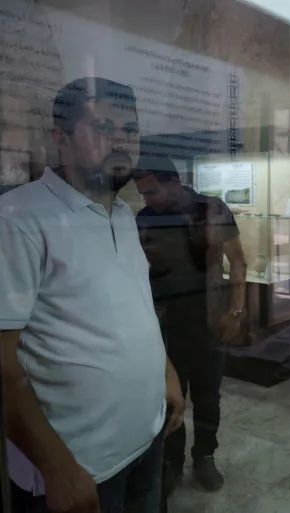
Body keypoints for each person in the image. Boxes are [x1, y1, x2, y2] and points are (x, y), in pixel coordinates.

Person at [0, 77, 185, 513]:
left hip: (146, 438)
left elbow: (136, 309)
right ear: (60, 138)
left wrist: (167, 373)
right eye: (103, 128)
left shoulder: (122, 213)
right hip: (78, 466)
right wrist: (56, 466)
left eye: (130, 130)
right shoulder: (19, 219)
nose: (121, 142)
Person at [133, 157, 246, 492]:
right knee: (170, 397)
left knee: (208, 397)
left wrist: (235, 313)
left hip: (209, 320)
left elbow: (238, 262)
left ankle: (204, 456)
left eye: (151, 191)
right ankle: (172, 461)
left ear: (173, 183)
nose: (147, 199)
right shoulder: (145, 219)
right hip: (166, 325)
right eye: (142, 193)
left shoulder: (211, 209)